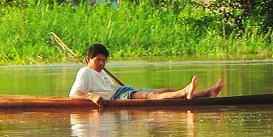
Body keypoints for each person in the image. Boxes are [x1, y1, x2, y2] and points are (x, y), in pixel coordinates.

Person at [69, 44, 224, 107]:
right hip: (118, 97)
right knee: (152, 96)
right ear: (88, 59)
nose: (102, 63)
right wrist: (92, 97)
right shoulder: (85, 71)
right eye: (98, 60)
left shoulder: (101, 72)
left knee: (164, 90)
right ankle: (185, 92)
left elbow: (109, 87)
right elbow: (74, 94)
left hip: (122, 92)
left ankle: (206, 93)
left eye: (104, 60)